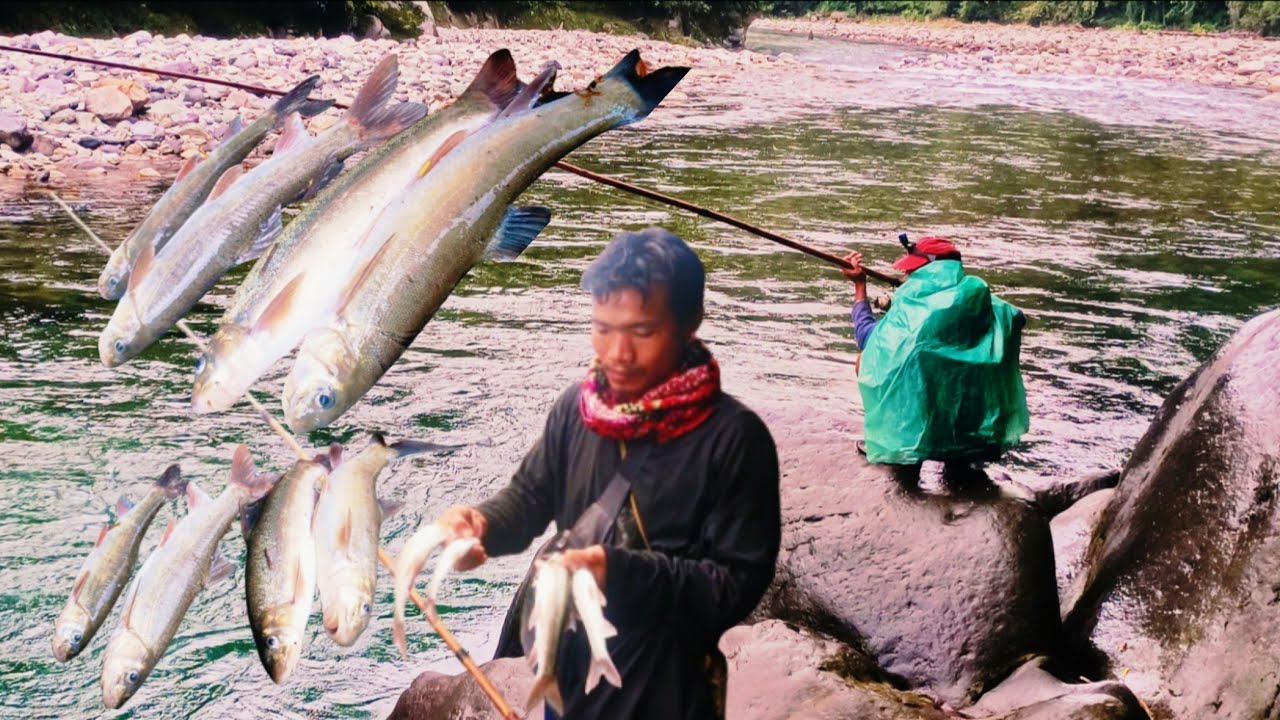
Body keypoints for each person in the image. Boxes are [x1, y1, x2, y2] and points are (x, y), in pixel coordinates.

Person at [433, 227, 781, 719]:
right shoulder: (574, 411)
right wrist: (482, 524)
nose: (617, 352)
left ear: (690, 323)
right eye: (602, 327)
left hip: (667, 697)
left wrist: (618, 573)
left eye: (641, 332)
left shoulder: (735, 438)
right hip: (570, 687)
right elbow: (530, 498)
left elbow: (735, 584)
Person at [841, 236, 1029, 485]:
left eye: (911, 271)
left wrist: (859, 287)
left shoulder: (912, 311)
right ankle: (958, 458)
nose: (907, 277)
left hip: (924, 406)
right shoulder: (979, 297)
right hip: (970, 425)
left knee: (864, 360)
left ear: (928, 271)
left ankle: (902, 448)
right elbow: (1015, 316)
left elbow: (869, 339)